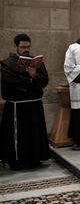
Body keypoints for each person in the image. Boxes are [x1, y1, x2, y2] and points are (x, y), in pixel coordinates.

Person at [0, 34, 49, 170]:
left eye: (28, 47)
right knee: (20, 137)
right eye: (22, 47)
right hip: (17, 106)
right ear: (15, 46)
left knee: (34, 134)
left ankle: (35, 159)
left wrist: (34, 74)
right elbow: (11, 81)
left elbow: (44, 80)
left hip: (34, 105)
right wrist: (30, 80)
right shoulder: (7, 63)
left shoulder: (36, 62)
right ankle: (17, 161)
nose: (26, 49)